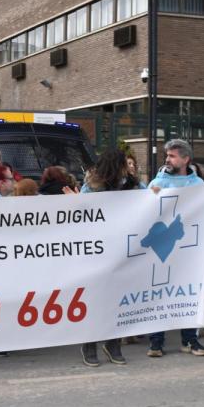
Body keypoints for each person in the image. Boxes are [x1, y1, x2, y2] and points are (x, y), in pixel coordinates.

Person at [147, 139, 204, 356]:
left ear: (185, 159)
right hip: (164, 248)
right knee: (160, 293)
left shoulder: (198, 185)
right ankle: (156, 341)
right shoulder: (157, 181)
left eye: (172, 156)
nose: (167, 160)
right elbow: (144, 211)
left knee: (189, 294)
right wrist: (149, 196)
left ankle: (189, 340)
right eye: (167, 156)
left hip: (190, 249)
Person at [77, 150, 136, 366]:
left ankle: (113, 343)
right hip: (97, 251)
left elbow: (151, 203)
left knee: (117, 300)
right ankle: (89, 344)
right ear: (115, 166)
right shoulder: (91, 188)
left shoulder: (131, 185)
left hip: (120, 251)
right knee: (94, 300)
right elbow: (81, 214)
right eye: (124, 164)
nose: (128, 168)